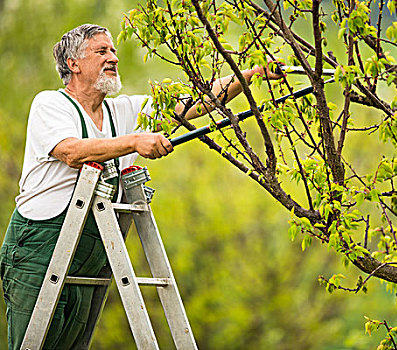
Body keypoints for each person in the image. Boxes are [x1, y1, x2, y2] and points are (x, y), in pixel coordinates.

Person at [0, 23, 281, 349]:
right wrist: (135, 141)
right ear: (74, 64)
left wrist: (254, 73)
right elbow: (70, 152)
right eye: (102, 51)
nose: (113, 57)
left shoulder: (122, 111)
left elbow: (196, 101)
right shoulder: (51, 104)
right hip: (39, 248)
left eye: (114, 51)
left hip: (91, 254)